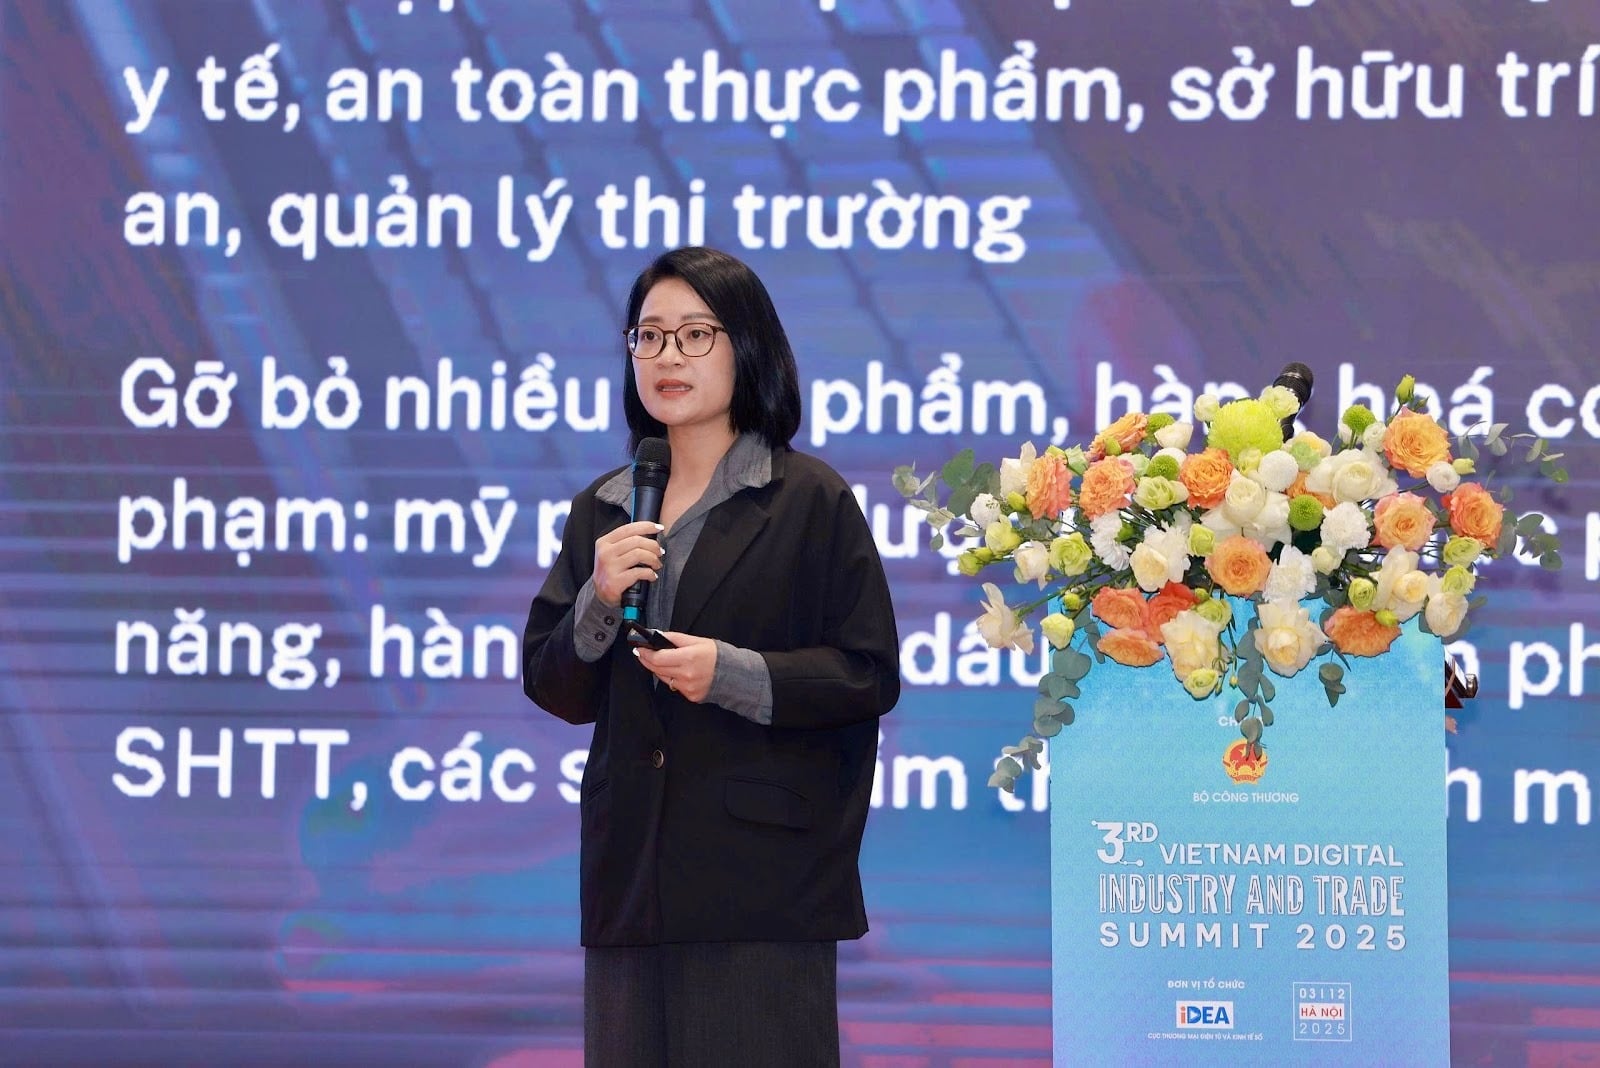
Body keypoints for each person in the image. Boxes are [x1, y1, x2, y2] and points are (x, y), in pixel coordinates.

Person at [521, 246, 901, 1066]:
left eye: (695, 334)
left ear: (747, 346)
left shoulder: (808, 500)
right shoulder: (605, 508)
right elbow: (555, 686)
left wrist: (730, 674)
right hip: (632, 878)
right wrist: (597, 598)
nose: (669, 357)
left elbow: (868, 674)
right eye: (649, 336)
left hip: (761, 884)